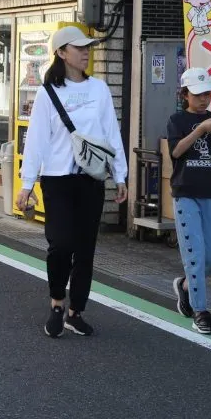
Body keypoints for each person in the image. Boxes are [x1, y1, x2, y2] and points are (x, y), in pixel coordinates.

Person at [15, 26, 128, 339]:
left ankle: (76, 311)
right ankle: (56, 303)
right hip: (57, 180)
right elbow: (36, 140)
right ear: (61, 52)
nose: (85, 52)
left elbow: (111, 134)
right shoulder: (47, 93)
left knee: (85, 250)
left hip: (90, 181)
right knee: (60, 245)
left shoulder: (100, 90)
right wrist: (27, 183)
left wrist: (120, 174)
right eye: (78, 48)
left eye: (87, 47)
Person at [167, 67, 211, 336]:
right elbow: (176, 151)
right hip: (185, 193)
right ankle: (200, 312)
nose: (204, 99)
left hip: (210, 192)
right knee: (195, 256)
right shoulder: (177, 120)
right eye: (198, 94)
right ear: (185, 94)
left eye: (207, 93)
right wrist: (200, 130)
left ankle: (185, 286)